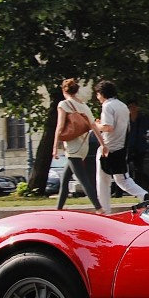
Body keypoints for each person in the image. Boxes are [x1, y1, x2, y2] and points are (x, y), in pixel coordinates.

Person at [93, 80, 149, 203]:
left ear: (102, 93)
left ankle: (104, 210)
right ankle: (143, 194)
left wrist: (95, 125)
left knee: (103, 183)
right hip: (121, 148)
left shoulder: (107, 106)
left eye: (97, 94)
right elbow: (127, 127)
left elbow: (108, 127)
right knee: (123, 179)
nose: (97, 97)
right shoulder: (123, 106)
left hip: (107, 148)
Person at [53, 78, 101, 210]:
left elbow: (59, 126)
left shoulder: (63, 104)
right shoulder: (84, 106)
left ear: (64, 90)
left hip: (73, 148)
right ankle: (59, 209)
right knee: (65, 179)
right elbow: (94, 126)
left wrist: (55, 148)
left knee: (83, 179)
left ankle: (98, 207)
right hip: (83, 147)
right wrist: (103, 144)